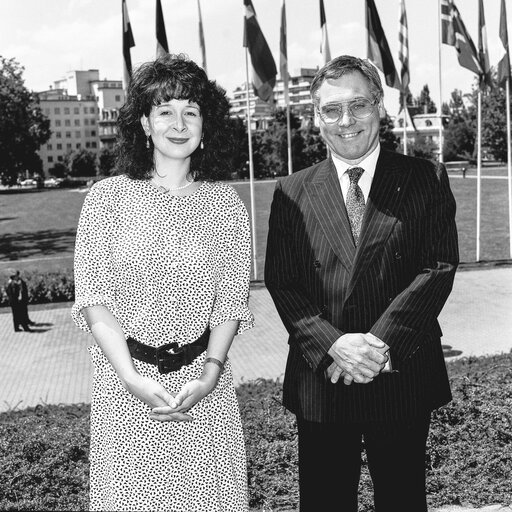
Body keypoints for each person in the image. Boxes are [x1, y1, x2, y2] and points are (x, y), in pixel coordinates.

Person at [264, 55, 459, 512]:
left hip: (400, 371)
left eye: (359, 104)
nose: (346, 120)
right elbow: (283, 281)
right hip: (323, 378)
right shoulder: (291, 190)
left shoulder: (423, 177)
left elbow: (438, 266)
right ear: (315, 116)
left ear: (381, 107)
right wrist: (334, 345)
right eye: (331, 109)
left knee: (403, 500)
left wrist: (376, 344)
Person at [71, 54, 254, 512]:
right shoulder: (107, 199)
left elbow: (230, 303)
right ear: (144, 125)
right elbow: (94, 301)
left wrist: (210, 375)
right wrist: (132, 378)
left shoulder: (225, 204)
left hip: (203, 392)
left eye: (190, 111)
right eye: (164, 111)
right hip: (127, 393)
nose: (178, 123)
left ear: (205, 125)